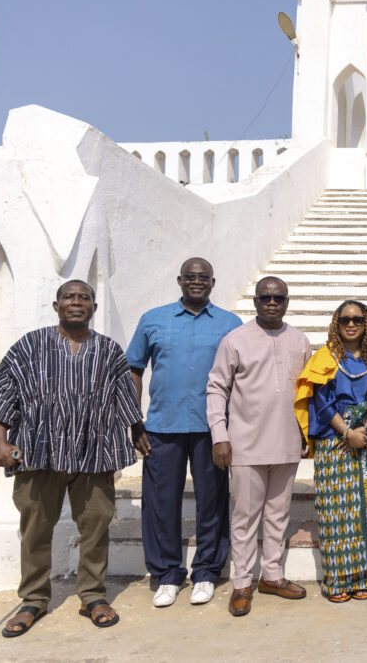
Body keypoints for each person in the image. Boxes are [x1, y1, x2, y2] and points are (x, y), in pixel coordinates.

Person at [0, 280, 145, 636]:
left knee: (96, 525)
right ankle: (33, 600)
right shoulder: (31, 345)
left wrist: (135, 435)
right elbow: (4, 395)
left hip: (94, 454)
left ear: (93, 307)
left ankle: (92, 596)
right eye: (69, 297)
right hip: (39, 452)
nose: (77, 302)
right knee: (35, 529)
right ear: (57, 306)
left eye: (85, 297)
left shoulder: (109, 350)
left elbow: (125, 401)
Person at [127, 257, 241, 608]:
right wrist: (135, 420)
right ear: (179, 281)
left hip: (211, 428)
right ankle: (167, 574)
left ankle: (206, 571)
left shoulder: (230, 323)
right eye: (190, 276)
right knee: (161, 503)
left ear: (213, 282)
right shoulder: (153, 319)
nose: (197, 281)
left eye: (203, 277)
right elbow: (134, 369)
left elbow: (240, 377)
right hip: (163, 426)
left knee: (212, 501)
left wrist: (232, 430)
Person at [206, 276, 312, 617]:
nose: (272, 303)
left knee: (279, 514)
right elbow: (216, 389)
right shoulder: (235, 340)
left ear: (287, 302)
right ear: (255, 301)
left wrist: (306, 434)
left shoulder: (299, 340)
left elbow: (306, 392)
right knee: (245, 516)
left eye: (278, 298)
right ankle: (241, 583)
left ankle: (272, 576)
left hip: (287, 442)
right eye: (265, 297)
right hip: (245, 444)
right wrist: (220, 435)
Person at [294, 300, 367, 603]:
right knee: (337, 515)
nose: (351, 324)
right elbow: (321, 402)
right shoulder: (325, 358)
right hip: (335, 442)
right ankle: (338, 580)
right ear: (336, 324)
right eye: (345, 319)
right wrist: (348, 432)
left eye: (358, 319)